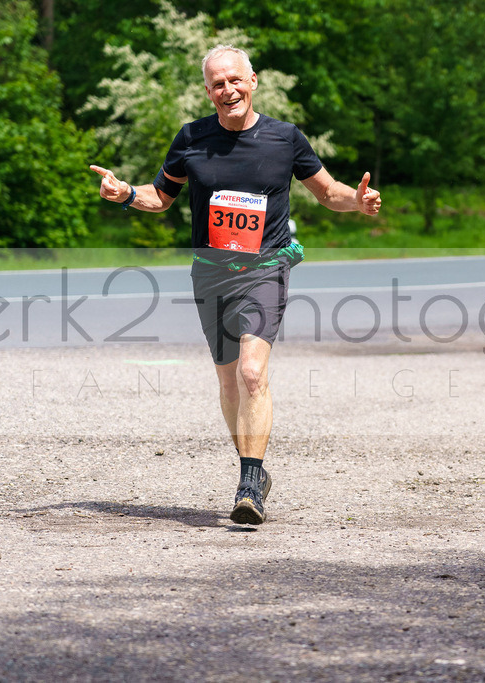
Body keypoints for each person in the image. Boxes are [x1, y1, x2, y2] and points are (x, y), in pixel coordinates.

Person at [90, 45, 381, 525]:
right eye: (218, 84)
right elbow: (160, 197)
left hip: (265, 267)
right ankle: (255, 470)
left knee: (250, 372)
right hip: (210, 271)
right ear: (208, 92)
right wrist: (125, 194)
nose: (228, 90)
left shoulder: (285, 138)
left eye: (235, 80)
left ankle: (249, 483)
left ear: (253, 81)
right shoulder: (191, 138)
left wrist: (359, 201)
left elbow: (329, 192)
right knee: (228, 379)